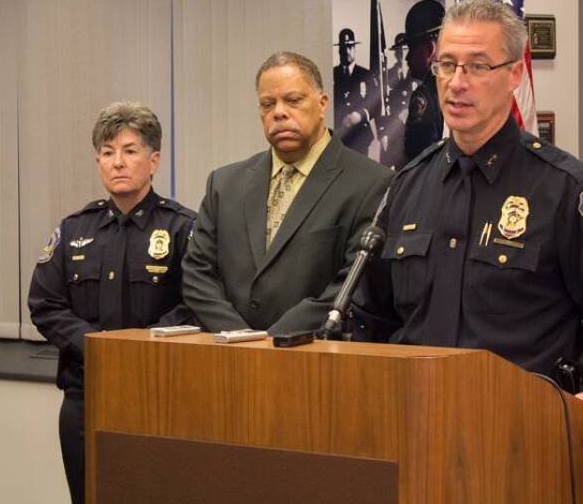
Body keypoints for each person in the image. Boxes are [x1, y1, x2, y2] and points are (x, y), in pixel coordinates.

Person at [352, 0, 583, 450]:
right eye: (446, 65)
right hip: (413, 432)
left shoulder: (564, 188)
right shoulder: (407, 186)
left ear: (515, 74)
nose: (457, 83)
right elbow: (370, 317)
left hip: (523, 439)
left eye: (478, 66)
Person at [28, 101, 196, 504]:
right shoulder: (74, 229)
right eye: (107, 152)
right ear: (98, 162)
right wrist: (98, 347)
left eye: (130, 150)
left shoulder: (182, 228)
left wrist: (134, 349)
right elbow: (45, 304)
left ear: (154, 161)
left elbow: (196, 304)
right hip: (85, 397)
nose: (117, 162)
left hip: (157, 393)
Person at [183, 51, 393, 334]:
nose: (279, 112)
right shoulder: (224, 184)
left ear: (322, 104)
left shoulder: (371, 183)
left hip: (310, 352)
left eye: (293, 100)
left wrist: (273, 344)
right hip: (229, 352)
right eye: (267, 104)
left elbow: (353, 284)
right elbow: (197, 274)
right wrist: (241, 340)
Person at [396, 0, 446, 164]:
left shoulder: (424, 95)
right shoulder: (453, 86)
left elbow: (416, 161)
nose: (407, 58)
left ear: (430, 49)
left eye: (411, 48)